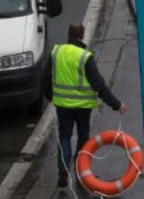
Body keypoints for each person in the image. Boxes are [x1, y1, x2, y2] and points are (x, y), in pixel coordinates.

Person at [42, 22, 127, 188]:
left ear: (68, 35)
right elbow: (98, 84)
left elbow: (45, 79)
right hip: (83, 107)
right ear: (82, 35)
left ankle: (63, 172)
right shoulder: (85, 56)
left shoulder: (56, 52)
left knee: (65, 137)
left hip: (63, 105)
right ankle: (81, 172)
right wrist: (116, 105)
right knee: (83, 137)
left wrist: (52, 97)